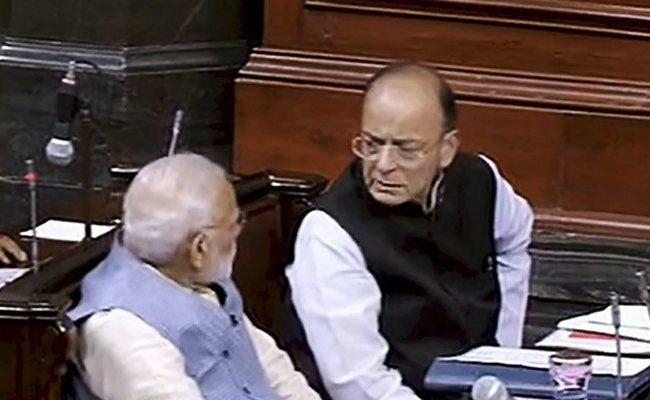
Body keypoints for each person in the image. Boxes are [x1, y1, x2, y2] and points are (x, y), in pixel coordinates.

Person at [284, 63, 533, 399]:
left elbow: (516, 239)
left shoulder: (481, 179)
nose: (384, 165)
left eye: (407, 149)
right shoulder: (330, 232)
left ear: (446, 149)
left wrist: (505, 354)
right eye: (372, 145)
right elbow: (358, 384)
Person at [67, 153, 321, 400]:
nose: (239, 232)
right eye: (235, 223)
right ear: (200, 248)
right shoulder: (123, 333)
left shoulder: (199, 276)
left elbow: (273, 369)